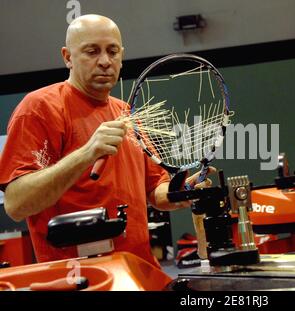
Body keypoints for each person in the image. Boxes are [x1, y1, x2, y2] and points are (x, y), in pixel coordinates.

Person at [0, 15, 212, 270]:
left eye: (112, 52)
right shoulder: (39, 109)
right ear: (67, 57)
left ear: (121, 56)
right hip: (79, 279)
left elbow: (156, 191)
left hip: (139, 272)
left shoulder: (127, 114)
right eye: (92, 51)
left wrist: (183, 192)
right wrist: (87, 152)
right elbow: (16, 204)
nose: (104, 61)